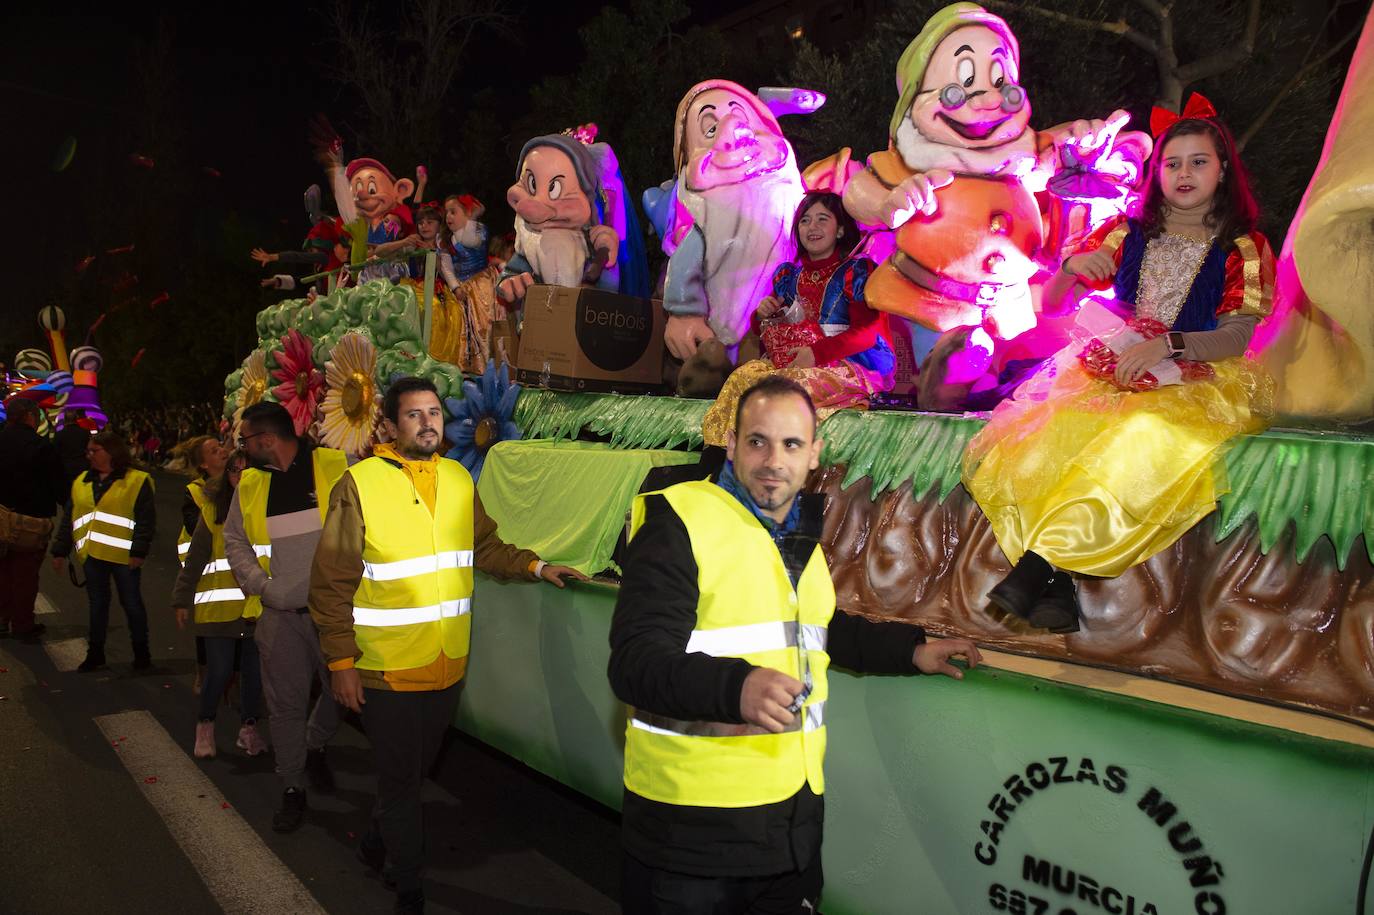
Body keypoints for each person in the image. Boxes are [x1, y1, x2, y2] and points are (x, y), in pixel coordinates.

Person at [609, 375, 981, 913]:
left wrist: (911, 650)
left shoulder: (796, 534)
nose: (772, 461)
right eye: (757, 441)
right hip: (692, 833)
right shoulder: (680, 522)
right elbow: (635, 664)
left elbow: (816, 630)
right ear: (731, 445)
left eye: (791, 444)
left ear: (814, 455)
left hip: (789, 826)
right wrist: (737, 687)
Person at [963, 98, 1275, 633]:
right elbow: (1056, 302)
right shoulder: (1127, 231)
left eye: (1199, 161)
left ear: (1224, 171)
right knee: (1045, 436)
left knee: (1137, 439)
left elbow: (1238, 336)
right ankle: (1055, 583)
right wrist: (1069, 269)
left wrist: (1168, 346)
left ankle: (1039, 567)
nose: (1183, 173)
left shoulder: (1242, 247)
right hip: (1111, 363)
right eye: (1172, 163)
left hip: (1193, 375)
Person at [309, 376, 587, 914]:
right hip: (385, 669)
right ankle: (408, 884)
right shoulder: (360, 484)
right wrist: (341, 662)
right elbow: (331, 582)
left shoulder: (460, 478)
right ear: (389, 426)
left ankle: (374, 842)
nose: (428, 422)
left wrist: (535, 564)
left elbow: (484, 545)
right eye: (414, 414)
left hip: (445, 665)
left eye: (434, 412)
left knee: (410, 777)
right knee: (401, 782)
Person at [222, 401, 348, 833]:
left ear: (267, 439)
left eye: (246, 441)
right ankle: (292, 786)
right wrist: (261, 586)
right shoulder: (251, 485)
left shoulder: (335, 464)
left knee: (342, 693)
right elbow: (234, 540)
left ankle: (315, 744)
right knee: (285, 708)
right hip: (279, 618)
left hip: (334, 617)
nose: (242, 449)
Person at [701, 192, 897, 444]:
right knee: (742, 377)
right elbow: (767, 331)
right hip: (797, 362)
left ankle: (779, 461)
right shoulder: (788, 275)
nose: (812, 227)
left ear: (839, 230)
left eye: (822, 219)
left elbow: (868, 334)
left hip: (849, 363)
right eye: (805, 220)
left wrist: (817, 354)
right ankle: (725, 461)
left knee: (787, 386)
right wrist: (762, 315)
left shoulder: (855, 271)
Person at [171, 450, 267, 759]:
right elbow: (196, 556)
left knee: (254, 675)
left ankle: (248, 730)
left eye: (247, 470)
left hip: (258, 609)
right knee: (221, 671)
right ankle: (205, 725)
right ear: (226, 476)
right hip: (219, 610)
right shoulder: (213, 509)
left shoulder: (267, 509)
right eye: (234, 471)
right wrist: (181, 599)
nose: (240, 477)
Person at [51, 429, 156, 671]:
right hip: (93, 555)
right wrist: (59, 550)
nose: (89, 455)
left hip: (124, 557)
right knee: (97, 606)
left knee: (132, 605)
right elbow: (70, 517)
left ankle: (142, 655)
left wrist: (138, 552)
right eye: (88, 450)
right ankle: (95, 653)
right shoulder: (81, 482)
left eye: (94, 450)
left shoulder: (137, 480)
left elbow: (145, 520)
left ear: (111, 452)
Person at [0, 398, 67, 640]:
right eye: (37, 414)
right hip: (31, 519)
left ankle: (2, 618)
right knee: (25, 574)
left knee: (3, 570)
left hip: (1, 516)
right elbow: (57, 483)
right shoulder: (40, 446)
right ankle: (23, 624)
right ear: (28, 416)